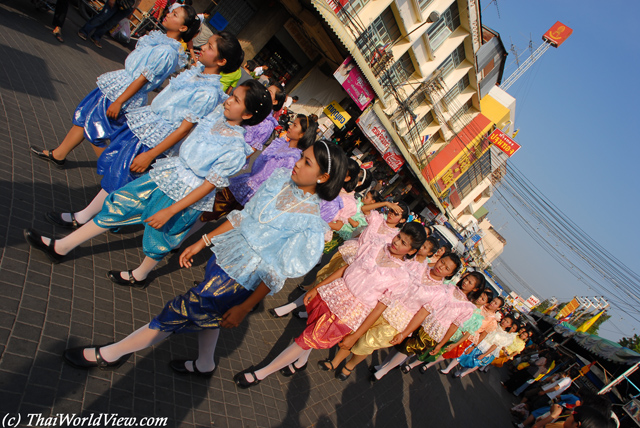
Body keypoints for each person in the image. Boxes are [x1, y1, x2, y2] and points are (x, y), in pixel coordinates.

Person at [60, 141, 348, 375]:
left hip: (240, 282)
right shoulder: (280, 182)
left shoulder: (310, 224)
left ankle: (112, 354)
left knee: (179, 310)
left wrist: (246, 307)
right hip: (222, 259)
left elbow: (276, 273)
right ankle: (205, 364)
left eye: (307, 162)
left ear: (323, 177)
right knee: (208, 315)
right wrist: (202, 241)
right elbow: (242, 218)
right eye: (302, 156)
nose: (297, 162)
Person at [24, 81, 272, 287]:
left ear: (248, 115)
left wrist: (171, 210)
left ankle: (140, 275)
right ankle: (61, 247)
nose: (229, 100)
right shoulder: (216, 115)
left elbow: (208, 187)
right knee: (118, 204)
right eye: (233, 95)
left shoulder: (235, 150)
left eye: (237, 100)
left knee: (161, 236)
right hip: (167, 174)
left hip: (186, 195)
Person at [45, 32, 242, 230]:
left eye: (210, 47)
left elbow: (183, 130)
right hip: (148, 126)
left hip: (155, 138)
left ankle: (83, 217)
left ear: (222, 60)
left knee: (121, 174)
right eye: (206, 44)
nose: (203, 48)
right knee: (120, 172)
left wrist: (150, 155)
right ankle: (109, 217)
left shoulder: (207, 92)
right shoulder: (198, 73)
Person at [233, 222, 427, 388]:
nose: (396, 242)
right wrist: (317, 288)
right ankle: (301, 361)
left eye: (403, 243)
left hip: (350, 313)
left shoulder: (401, 278)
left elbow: (378, 309)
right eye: (399, 236)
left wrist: (355, 336)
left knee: (306, 339)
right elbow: (346, 269)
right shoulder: (376, 245)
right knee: (311, 331)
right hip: (334, 292)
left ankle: (261, 373)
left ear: (411, 251)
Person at [31, 7, 200, 167]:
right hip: (120, 86)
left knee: (96, 131)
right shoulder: (162, 43)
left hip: (125, 92)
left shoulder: (167, 52)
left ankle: (112, 174)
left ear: (183, 27)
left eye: (175, 15)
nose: (169, 15)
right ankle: (59, 154)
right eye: (171, 12)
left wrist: (119, 101)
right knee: (86, 117)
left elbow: (143, 79)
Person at [328, 253, 461, 381]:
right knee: (356, 331)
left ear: (449, 274)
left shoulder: (440, 294)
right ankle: (335, 361)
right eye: (442, 261)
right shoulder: (416, 267)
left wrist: (404, 334)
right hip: (382, 305)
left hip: (399, 322)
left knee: (367, 343)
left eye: (447, 268)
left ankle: (349, 366)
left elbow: (421, 315)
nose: (441, 267)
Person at [77, 0, 142, 49]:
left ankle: (96, 37)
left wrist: (132, 11)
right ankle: (84, 31)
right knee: (102, 17)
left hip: (128, 6)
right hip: (116, 1)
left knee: (110, 23)